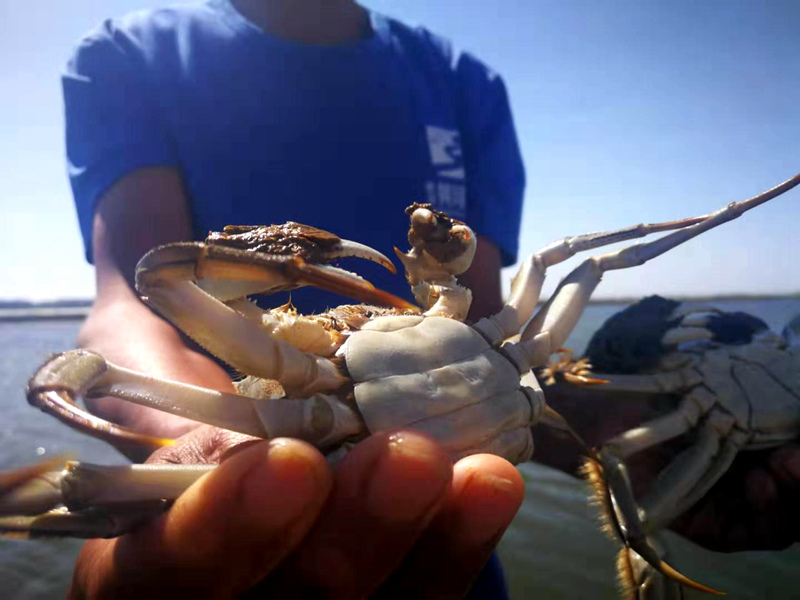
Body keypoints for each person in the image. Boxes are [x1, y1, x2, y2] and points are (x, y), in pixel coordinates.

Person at [64, 0, 526, 597]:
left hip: (461, 534)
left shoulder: (463, 80)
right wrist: (217, 442)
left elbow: (483, 322)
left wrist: (623, 438)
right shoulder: (132, 52)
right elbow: (140, 294)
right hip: (245, 522)